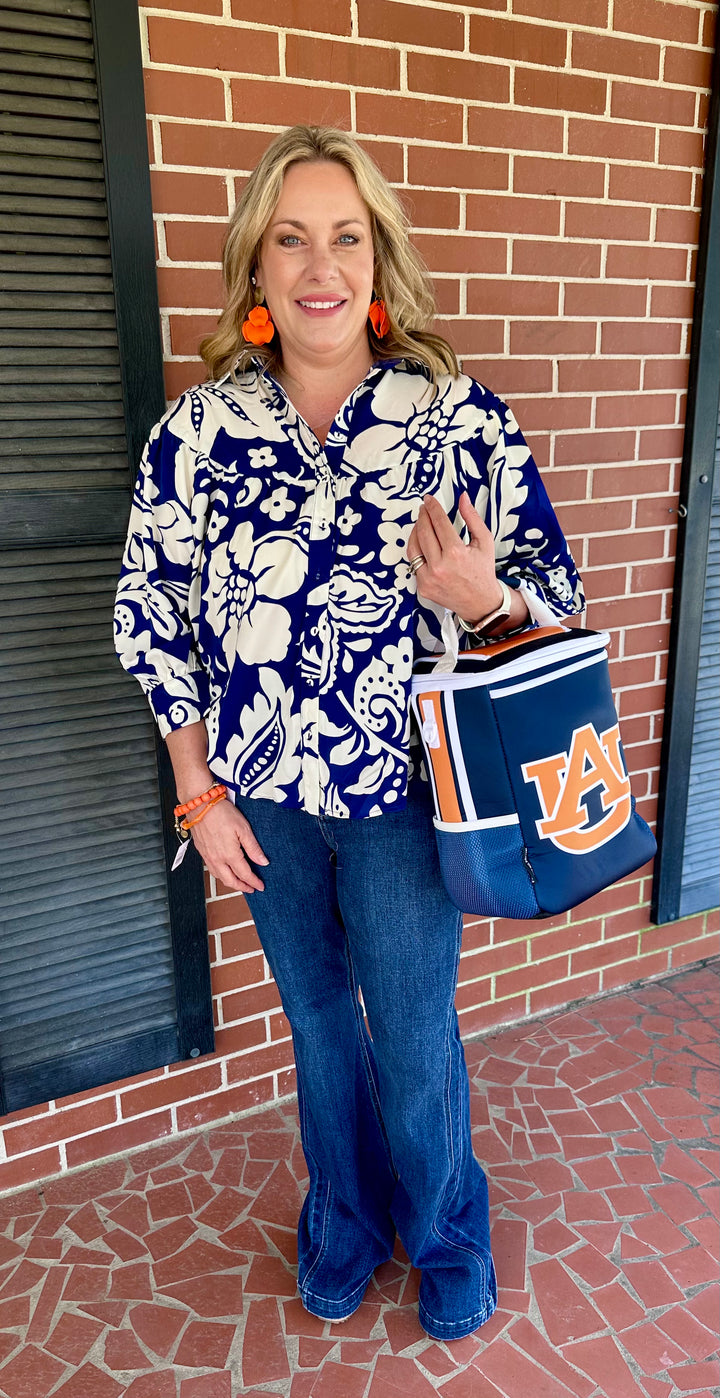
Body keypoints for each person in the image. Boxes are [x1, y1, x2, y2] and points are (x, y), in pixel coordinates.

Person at [115, 125, 584, 1341]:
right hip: (261, 802)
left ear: (377, 260)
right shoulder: (198, 434)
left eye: (345, 236)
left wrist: (482, 598)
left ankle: (442, 1231)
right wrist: (198, 794)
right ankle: (342, 1219)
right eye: (290, 238)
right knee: (320, 1027)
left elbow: (556, 593)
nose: (320, 264)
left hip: (406, 802)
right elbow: (153, 617)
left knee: (415, 1032)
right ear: (256, 271)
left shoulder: (456, 419)